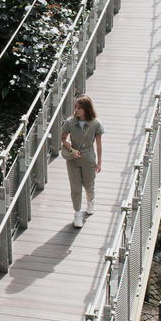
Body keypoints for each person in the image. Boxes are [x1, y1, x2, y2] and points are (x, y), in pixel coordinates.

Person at [61, 95, 103, 229]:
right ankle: (77, 213)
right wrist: (71, 150)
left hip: (89, 157)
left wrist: (99, 162)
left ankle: (91, 201)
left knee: (89, 184)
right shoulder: (70, 122)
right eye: (75, 107)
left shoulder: (96, 123)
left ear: (86, 109)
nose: (76, 110)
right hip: (73, 159)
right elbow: (63, 138)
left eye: (79, 108)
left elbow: (98, 144)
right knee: (75, 188)